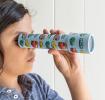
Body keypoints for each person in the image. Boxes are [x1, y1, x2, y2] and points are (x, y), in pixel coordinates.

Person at [0, 0, 91, 100]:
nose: (32, 46)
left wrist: (74, 74)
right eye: (20, 40)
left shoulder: (36, 85)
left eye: (31, 37)